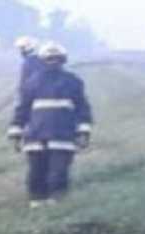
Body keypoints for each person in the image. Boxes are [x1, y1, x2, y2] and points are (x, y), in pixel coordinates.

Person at [7, 43, 93, 208]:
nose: (53, 62)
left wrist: (83, 132)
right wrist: (15, 134)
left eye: (57, 59)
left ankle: (57, 207)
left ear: (63, 60)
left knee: (58, 173)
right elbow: (22, 109)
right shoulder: (32, 83)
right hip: (37, 137)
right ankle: (37, 203)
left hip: (62, 136)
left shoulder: (73, 82)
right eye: (50, 59)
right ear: (43, 60)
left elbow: (82, 108)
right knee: (36, 173)